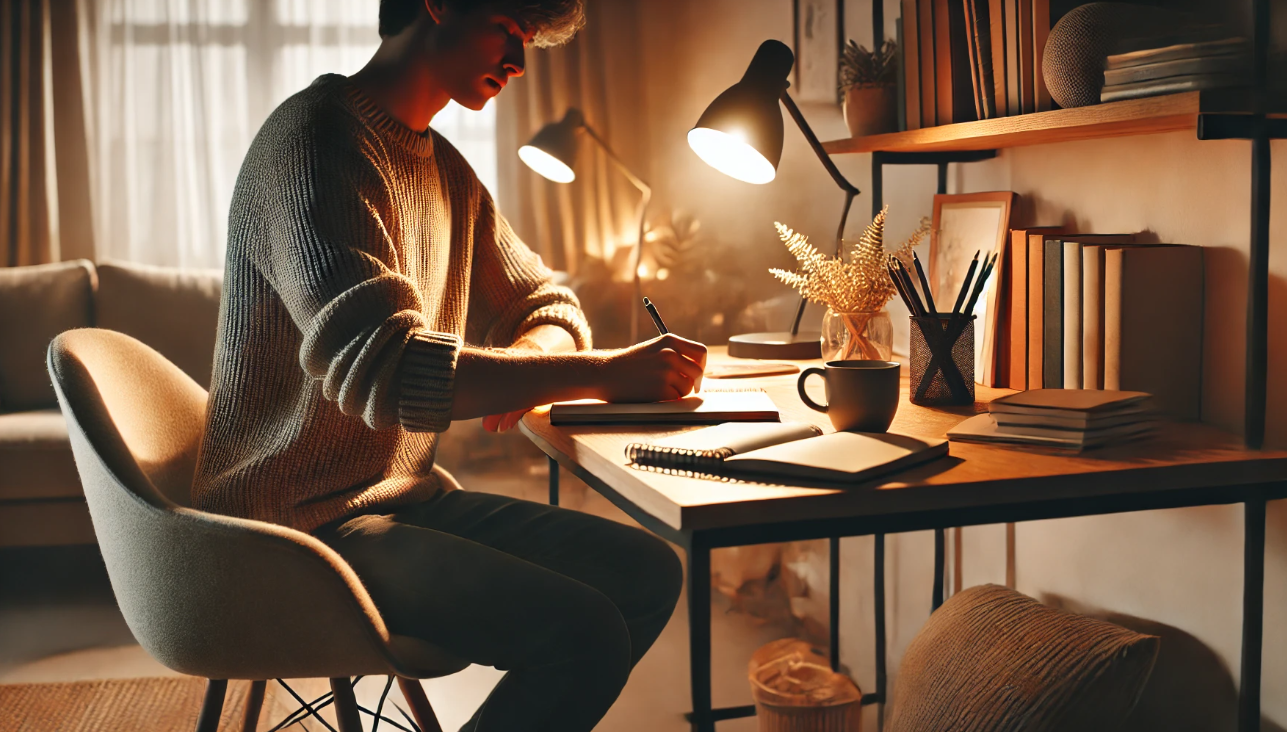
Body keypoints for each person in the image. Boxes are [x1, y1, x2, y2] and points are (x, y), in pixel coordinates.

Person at [192, 1, 706, 730]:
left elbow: (548, 302)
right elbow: (393, 374)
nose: (520, 62)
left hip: (398, 498)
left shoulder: (445, 171)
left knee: (648, 573)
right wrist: (602, 374)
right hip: (293, 529)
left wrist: (532, 358)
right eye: (508, 29)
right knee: (581, 636)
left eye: (529, 40)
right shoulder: (312, 144)